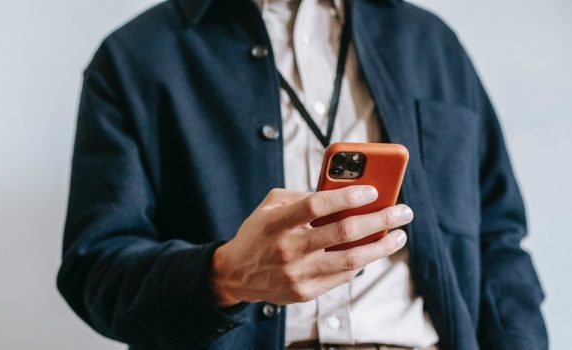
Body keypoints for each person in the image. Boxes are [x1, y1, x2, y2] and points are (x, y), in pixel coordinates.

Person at [57, 0, 548, 349]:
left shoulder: (432, 44)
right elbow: (94, 272)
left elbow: (498, 240)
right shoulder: (133, 58)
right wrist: (224, 275)